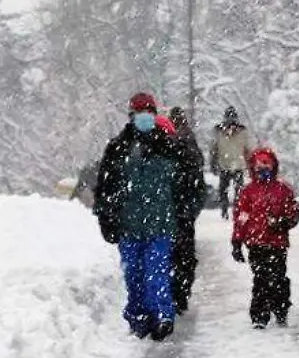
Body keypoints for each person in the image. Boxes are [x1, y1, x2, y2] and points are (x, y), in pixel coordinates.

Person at [93, 92, 197, 341]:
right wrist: (106, 217)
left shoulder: (170, 147)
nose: (144, 118)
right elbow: (105, 187)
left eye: (148, 113)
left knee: (157, 271)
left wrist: (185, 214)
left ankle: (162, 315)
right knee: (134, 275)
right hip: (129, 225)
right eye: (139, 113)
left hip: (161, 223)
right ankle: (139, 316)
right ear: (131, 116)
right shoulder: (118, 148)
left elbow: (187, 184)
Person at [231, 147, 299, 329]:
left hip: (277, 243)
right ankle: (260, 315)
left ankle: (280, 307)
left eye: (266, 164)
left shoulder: (283, 190)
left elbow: (292, 214)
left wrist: (282, 222)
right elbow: (242, 217)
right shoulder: (248, 192)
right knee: (260, 278)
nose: (263, 168)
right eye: (259, 164)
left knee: (278, 277)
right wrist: (237, 241)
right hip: (256, 243)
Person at [168, 106, 208, 313]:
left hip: (178, 212)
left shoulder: (184, 148)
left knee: (179, 256)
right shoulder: (186, 147)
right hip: (178, 212)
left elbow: (198, 185)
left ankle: (178, 293)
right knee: (182, 257)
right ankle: (180, 293)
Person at [210, 106, 256, 219]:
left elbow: (247, 149)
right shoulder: (219, 131)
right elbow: (214, 149)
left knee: (238, 191)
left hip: (237, 165)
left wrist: (251, 164)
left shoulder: (241, 132)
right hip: (225, 164)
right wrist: (213, 162)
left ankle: (236, 209)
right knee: (224, 190)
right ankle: (225, 209)